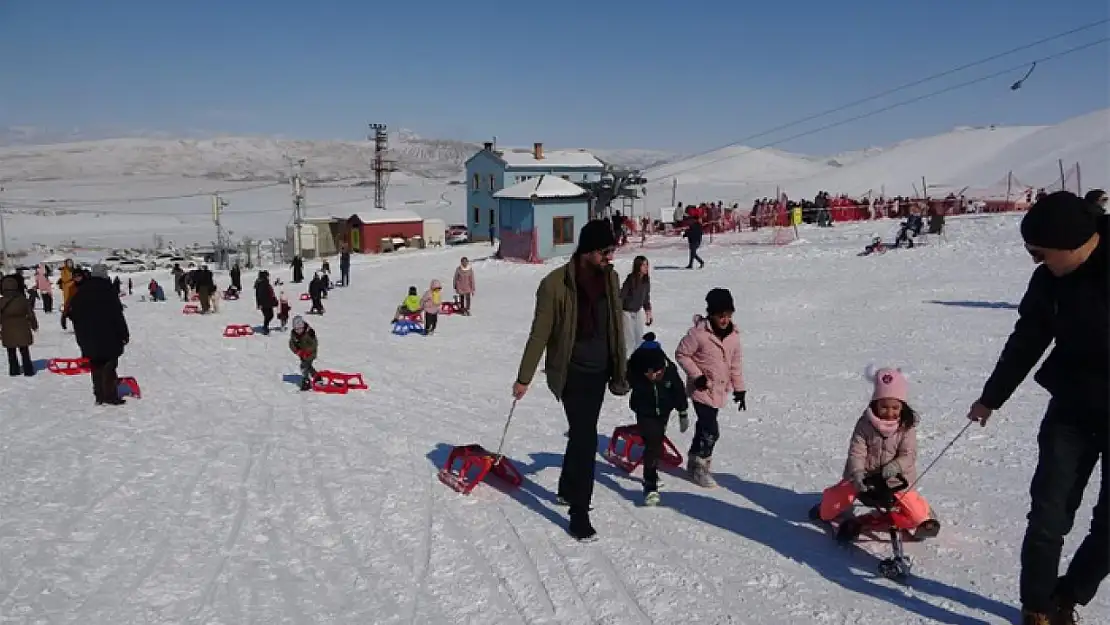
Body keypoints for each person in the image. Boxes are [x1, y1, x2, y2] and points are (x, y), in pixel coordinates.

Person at [966, 191, 1107, 625]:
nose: (1034, 262)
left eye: (1039, 253)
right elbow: (1028, 338)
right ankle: (1038, 607)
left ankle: (1071, 595)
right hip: (1072, 412)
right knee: (1048, 516)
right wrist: (992, 397)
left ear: (1073, 243)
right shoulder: (1049, 279)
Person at [513, 219, 629, 542]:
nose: (611, 257)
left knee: (581, 434)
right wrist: (524, 377)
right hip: (572, 373)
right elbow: (540, 334)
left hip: (600, 371)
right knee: (586, 437)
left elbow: (616, 327)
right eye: (606, 251)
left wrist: (622, 365)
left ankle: (566, 487)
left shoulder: (611, 279)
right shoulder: (554, 285)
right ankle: (579, 512)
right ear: (589, 251)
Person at [814, 366, 937, 540]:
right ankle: (825, 510)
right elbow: (856, 452)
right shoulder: (865, 424)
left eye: (895, 407)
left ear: (902, 406)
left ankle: (921, 515)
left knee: (916, 516)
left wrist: (895, 466)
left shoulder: (906, 427)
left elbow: (909, 455)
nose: (889, 412)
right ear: (875, 403)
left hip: (896, 480)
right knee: (828, 511)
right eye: (884, 407)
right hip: (864, 478)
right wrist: (857, 474)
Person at [674, 288, 745, 488]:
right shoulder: (699, 334)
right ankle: (700, 465)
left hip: (720, 391)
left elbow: (735, 364)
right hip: (702, 390)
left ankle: (695, 458)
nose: (725, 319)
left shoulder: (733, 336)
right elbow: (681, 353)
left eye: (728, 315)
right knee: (711, 429)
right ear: (711, 314)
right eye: (720, 315)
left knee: (705, 427)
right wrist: (697, 376)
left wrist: (739, 389)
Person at [627, 333, 688, 506]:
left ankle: (650, 461)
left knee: (656, 439)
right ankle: (650, 485)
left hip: (664, 411)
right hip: (644, 412)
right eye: (649, 373)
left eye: (657, 372)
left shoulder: (669, 370)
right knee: (653, 442)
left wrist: (682, 412)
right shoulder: (634, 370)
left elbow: (678, 390)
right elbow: (622, 380)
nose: (653, 376)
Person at [67, 264, 130, 405]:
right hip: (109, 335)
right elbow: (117, 315)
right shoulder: (108, 291)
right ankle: (110, 396)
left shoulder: (81, 291)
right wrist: (124, 334)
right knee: (109, 364)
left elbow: (74, 315)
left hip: (88, 336)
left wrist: (81, 335)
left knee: (95, 365)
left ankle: (99, 395)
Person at [0, 274, 39, 377]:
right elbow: (30, 314)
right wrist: (34, 325)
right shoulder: (22, 300)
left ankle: (14, 370)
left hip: (7, 329)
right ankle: (28, 370)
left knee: (11, 352)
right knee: (24, 351)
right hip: (22, 328)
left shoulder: (1, 301)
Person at [619, 255, 653, 356]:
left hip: (637, 312)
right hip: (626, 312)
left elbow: (646, 298)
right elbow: (621, 296)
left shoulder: (646, 280)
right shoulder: (631, 279)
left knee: (639, 339)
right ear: (638, 266)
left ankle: (637, 362)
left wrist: (648, 313)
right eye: (643, 265)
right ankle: (627, 363)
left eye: (647, 265)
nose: (646, 267)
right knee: (629, 341)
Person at [288, 315, 318, 391]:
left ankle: (306, 382)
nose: (298, 331)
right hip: (301, 354)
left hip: (311, 353)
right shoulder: (294, 334)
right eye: (296, 329)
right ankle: (317, 376)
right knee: (308, 366)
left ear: (303, 326)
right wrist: (297, 351)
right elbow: (291, 344)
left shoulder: (309, 332)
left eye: (300, 329)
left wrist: (307, 351)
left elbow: (314, 344)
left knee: (304, 367)